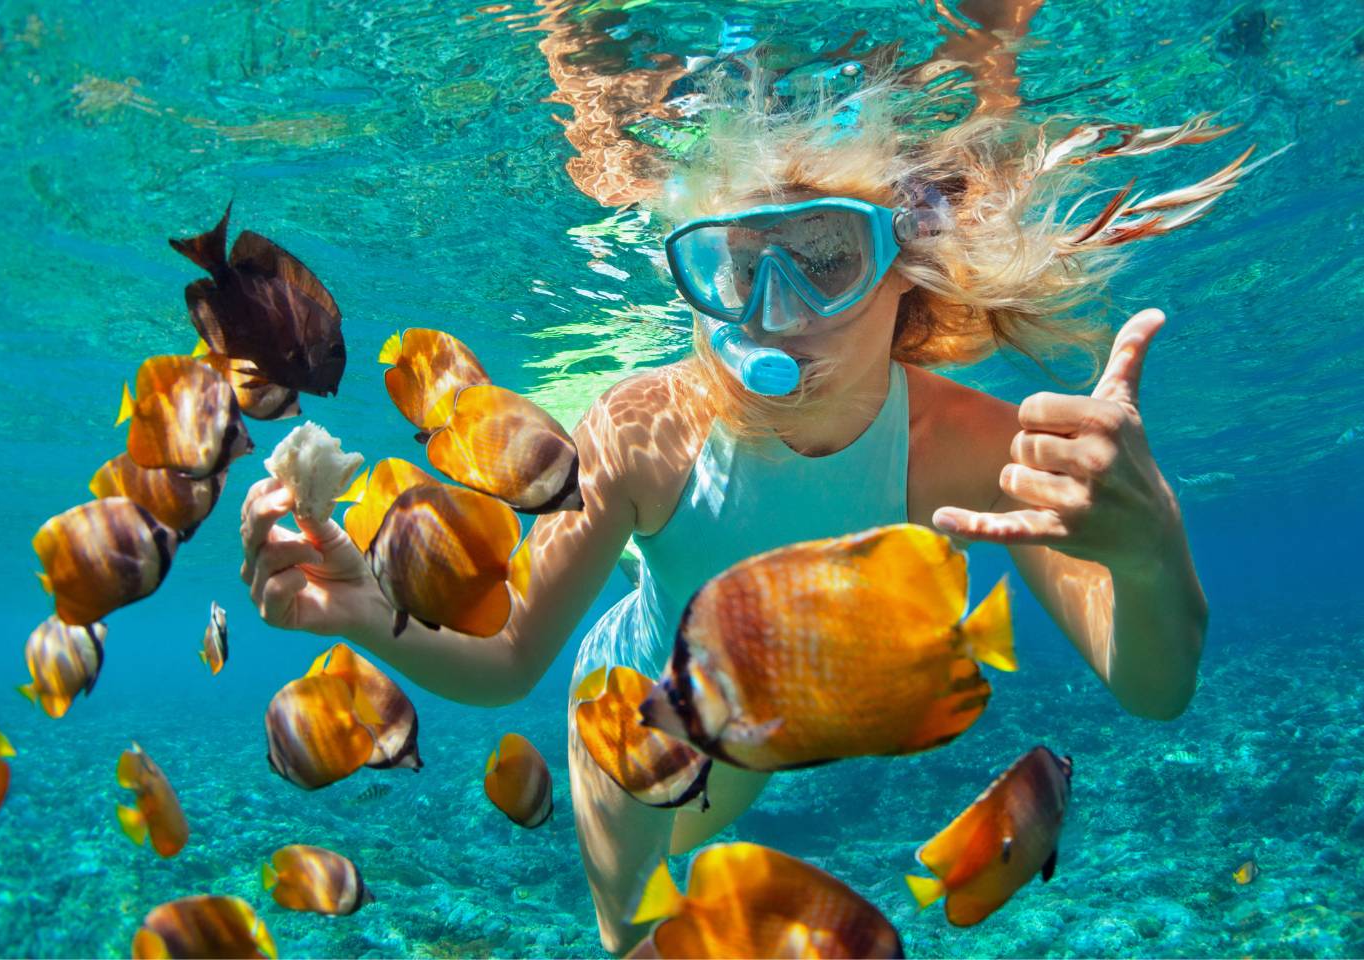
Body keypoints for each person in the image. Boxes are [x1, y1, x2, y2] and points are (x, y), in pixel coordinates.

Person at [238, 57, 1258, 954]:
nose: (776, 315)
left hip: (766, 714)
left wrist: (1146, 548)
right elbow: (508, 659)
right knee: (635, 937)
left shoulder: (968, 447)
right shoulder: (645, 433)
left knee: (704, 863)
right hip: (626, 707)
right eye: (735, 265)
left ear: (907, 267)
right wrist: (366, 616)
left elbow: (1154, 690)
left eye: (824, 259)